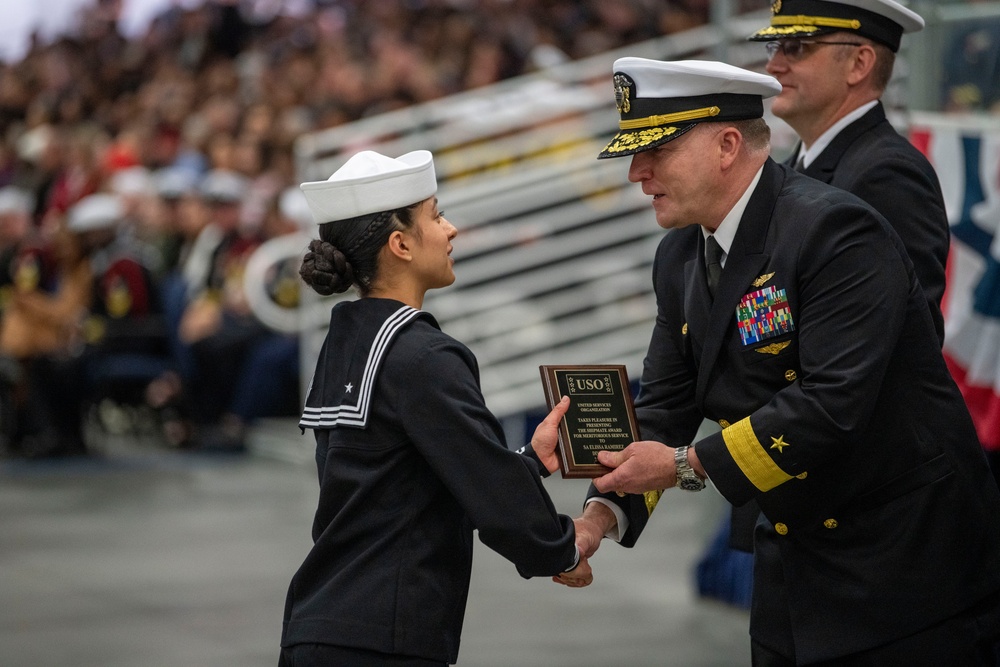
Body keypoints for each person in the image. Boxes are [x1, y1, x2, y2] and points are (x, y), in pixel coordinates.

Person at [561, 57, 1000, 665]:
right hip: (794, 564)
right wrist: (600, 515)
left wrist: (686, 466)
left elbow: (830, 405)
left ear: (727, 144)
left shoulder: (836, 232)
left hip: (904, 564)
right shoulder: (680, 254)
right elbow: (666, 403)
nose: (638, 172)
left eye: (654, 151)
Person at [279, 149, 591, 667]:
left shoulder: (346, 340)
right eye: (436, 215)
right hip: (384, 636)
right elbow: (493, 497)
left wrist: (528, 461)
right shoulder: (424, 355)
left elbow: (399, 487)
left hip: (321, 622)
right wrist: (563, 547)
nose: (451, 230)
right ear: (400, 244)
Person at [750, 0, 950, 344]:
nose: (773, 66)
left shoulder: (889, 176)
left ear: (859, 64)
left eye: (795, 48)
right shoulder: (790, 171)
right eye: (774, 47)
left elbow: (895, 337)